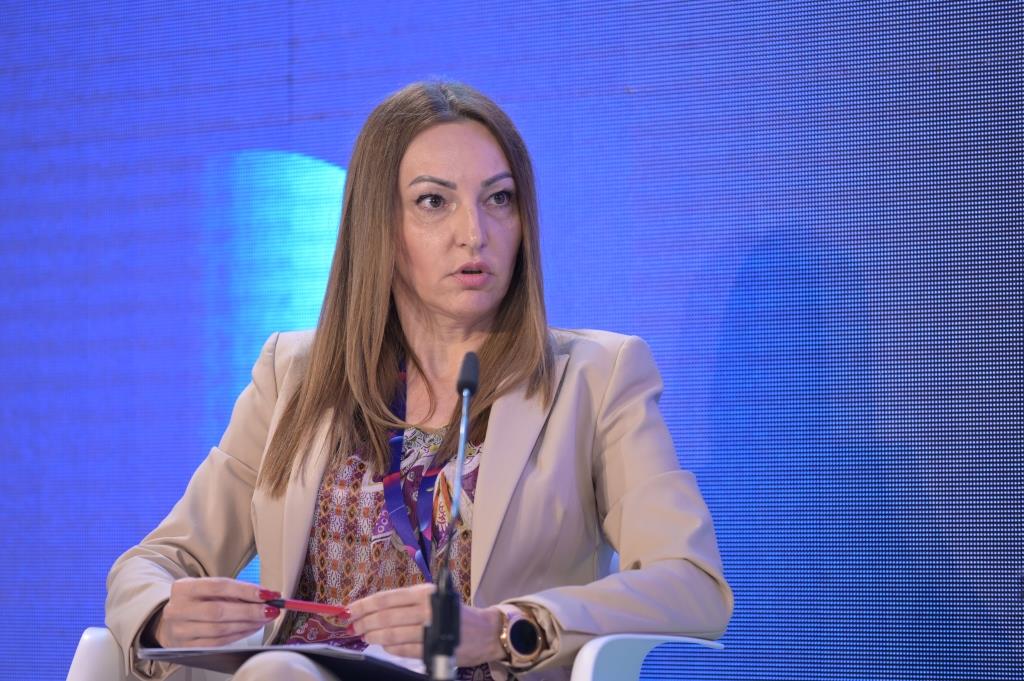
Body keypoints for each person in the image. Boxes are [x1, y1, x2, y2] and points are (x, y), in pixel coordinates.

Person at [105, 81, 733, 681]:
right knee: (277, 669)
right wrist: (164, 613)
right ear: (377, 225)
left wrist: (506, 628)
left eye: (499, 199)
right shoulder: (293, 376)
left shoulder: (596, 378)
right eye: (434, 202)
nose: (474, 234)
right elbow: (155, 562)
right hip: (301, 674)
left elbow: (691, 583)